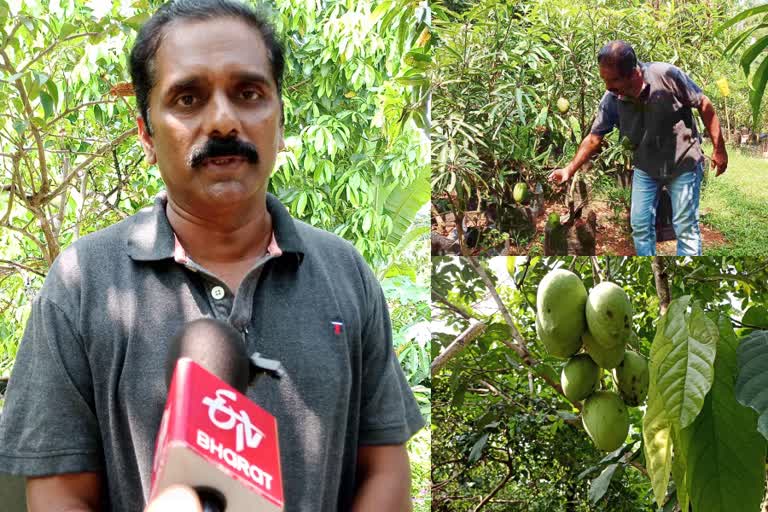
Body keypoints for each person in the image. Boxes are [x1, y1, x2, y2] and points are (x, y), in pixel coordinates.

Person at [0, 1, 424, 511]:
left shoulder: (345, 272)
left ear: (280, 119)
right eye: (188, 99)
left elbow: (383, 466)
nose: (223, 121)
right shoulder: (81, 283)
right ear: (146, 134)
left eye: (248, 94)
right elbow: (58, 493)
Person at [548, 40, 728, 256]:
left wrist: (719, 148)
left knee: (685, 227)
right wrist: (569, 169)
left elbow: (704, 104)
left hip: (683, 163)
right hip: (646, 168)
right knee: (640, 226)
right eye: (604, 79)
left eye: (613, 80)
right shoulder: (612, 99)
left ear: (634, 73)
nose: (607, 86)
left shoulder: (667, 75)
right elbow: (594, 138)